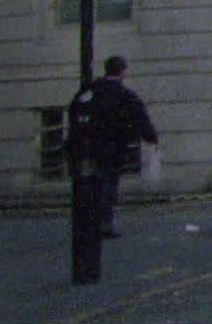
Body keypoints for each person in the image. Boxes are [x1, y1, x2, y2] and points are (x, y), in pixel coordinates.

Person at [65, 55, 158, 239]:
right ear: (122, 72)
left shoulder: (88, 91)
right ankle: (103, 224)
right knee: (107, 185)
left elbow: (73, 112)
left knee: (86, 185)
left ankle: (86, 224)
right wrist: (151, 138)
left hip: (84, 147)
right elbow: (140, 118)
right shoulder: (124, 94)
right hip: (110, 148)